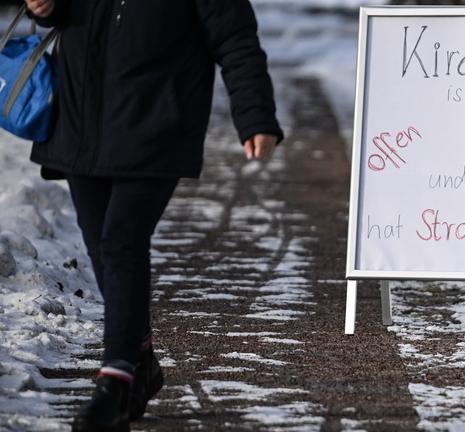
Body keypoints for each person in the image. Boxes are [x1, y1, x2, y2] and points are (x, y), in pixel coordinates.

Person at [23, 1, 283, 431]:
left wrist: (256, 115)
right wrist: (44, 7)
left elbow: (235, 37)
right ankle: (139, 356)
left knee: (121, 241)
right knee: (101, 246)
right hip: (81, 116)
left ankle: (115, 382)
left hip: (158, 119)